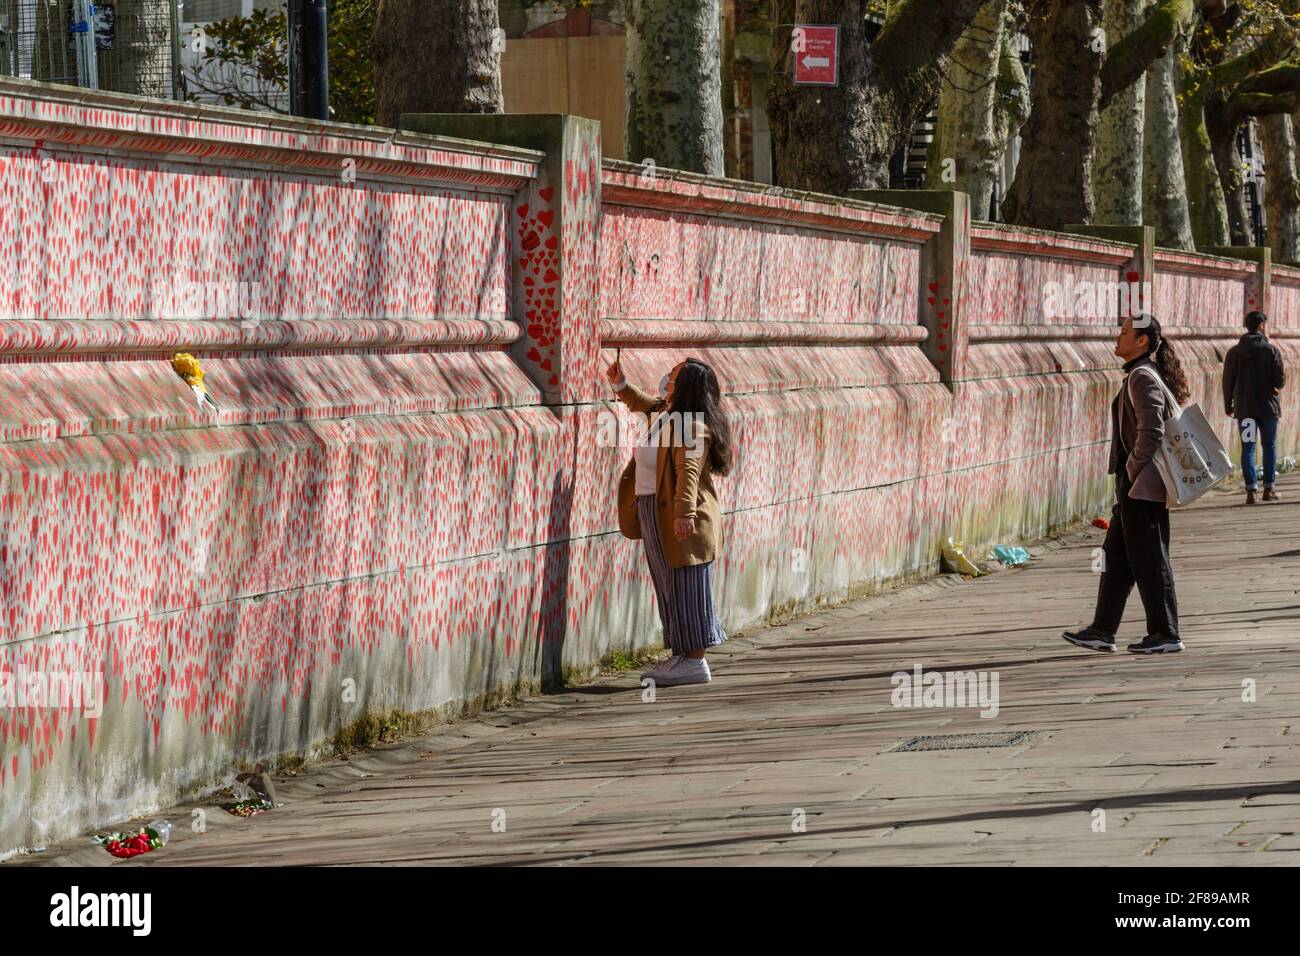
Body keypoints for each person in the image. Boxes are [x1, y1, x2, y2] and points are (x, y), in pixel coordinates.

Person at [1064, 314, 1190, 654]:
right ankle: (1102, 630)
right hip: (1134, 486)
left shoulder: (1142, 376)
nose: (1117, 339)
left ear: (1143, 341)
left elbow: (1152, 430)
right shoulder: (1141, 373)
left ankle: (1165, 633)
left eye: (1124, 334)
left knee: (1150, 559)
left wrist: (1132, 469)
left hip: (1142, 487)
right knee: (1116, 559)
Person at [606, 356, 733, 686]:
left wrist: (684, 513)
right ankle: (681, 655)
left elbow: (689, 472)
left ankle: (694, 661)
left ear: (687, 386)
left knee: (687, 584)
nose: (667, 379)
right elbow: (643, 402)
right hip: (654, 512)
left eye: (674, 376)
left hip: (679, 518)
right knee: (669, 584)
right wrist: (620, 384)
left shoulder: (690, 426)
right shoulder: (666, 415)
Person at [1223, 310, 1286, 504]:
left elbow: (1227, 381)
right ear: (1261, 325)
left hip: (1246, 410)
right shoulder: (1271, 351)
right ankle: (1269, 489)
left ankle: (1251, 492)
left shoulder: (1234, 353)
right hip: (1267, 410)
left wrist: (1228, 403)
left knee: (1248, 448)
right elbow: (1280, 381)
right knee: (1269, 446)